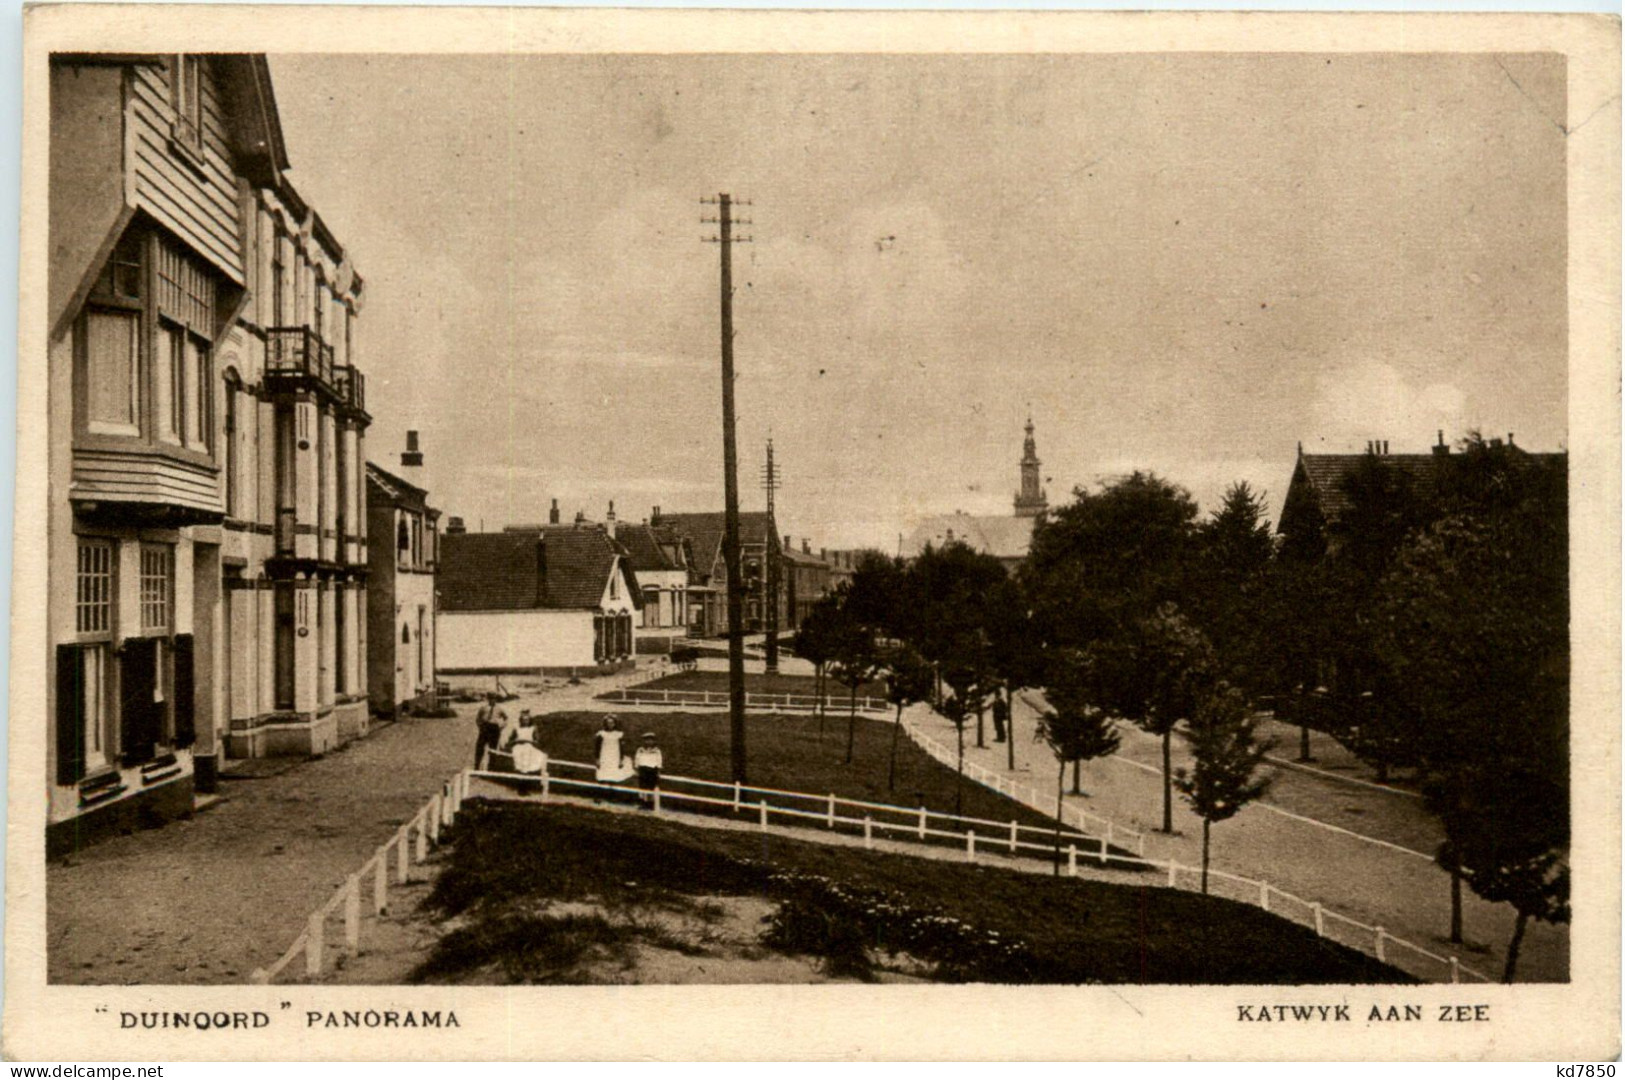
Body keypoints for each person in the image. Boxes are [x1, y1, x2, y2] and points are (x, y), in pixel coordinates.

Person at [473, 692, 507, 769]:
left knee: (493, 749)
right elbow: (478, 718)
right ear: (488, 699)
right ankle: (477, 766)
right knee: (480, 747)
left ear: (496, 699)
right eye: (491, 698)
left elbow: (506, 718)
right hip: (485, 728)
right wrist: (480, 726)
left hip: (494, 728)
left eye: (494, 698)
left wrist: (502, 726)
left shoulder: (499, 708)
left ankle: (491, 767)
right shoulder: (483, 708)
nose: (492, 700)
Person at [594, 716, 633, 783]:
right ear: (605, 724)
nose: (610, 725)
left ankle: (612, 790)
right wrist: (597, 759)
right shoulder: (601, 734)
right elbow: (597, 747)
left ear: (615, 724)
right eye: (608, 723)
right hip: (604, 756)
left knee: (614, 775)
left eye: (612, 723)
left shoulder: (618, 734)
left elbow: (621, 748)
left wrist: (621, 760)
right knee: (604, 775)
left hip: (615, 756)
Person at [634, 732, 663, 809]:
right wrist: (637, 769)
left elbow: (659, 761)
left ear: (654, 741)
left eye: (651, 740)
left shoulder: (657, 751)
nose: (649, 742)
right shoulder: (640, 750)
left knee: (651, 786)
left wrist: (658, 771)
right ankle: (643, 802)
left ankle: (650, 803)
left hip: (652, 769)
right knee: (642, 786)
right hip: (643, 769)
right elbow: (637, 759)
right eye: (646, 740)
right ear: (644, 741)